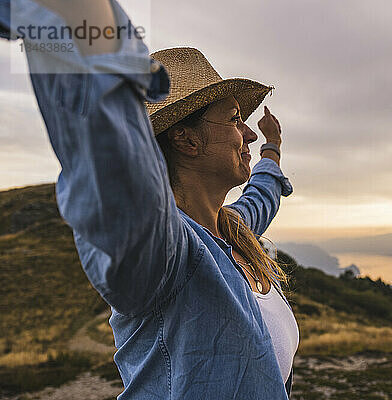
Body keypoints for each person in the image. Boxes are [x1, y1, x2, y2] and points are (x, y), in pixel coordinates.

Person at [1, 0, 298, 398]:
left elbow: (260, 199)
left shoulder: (229, 231)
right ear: (185, 138)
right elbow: (115, 174)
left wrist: (272, 151)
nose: (249, 134)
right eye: (233, 119)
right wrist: (80, 33)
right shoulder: (166, 253)